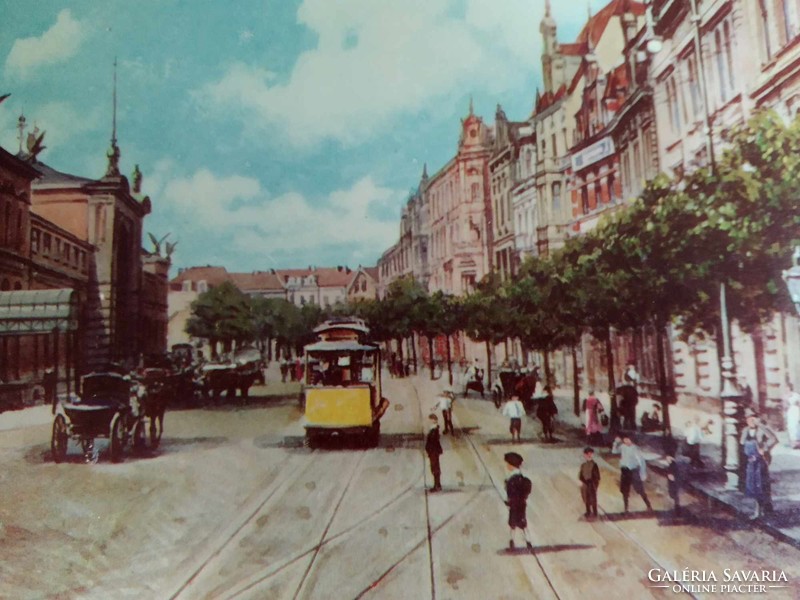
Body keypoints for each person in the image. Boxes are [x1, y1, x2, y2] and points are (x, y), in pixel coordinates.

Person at [740, 409, 778, 518]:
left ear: (756, 418)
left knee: (761, 485)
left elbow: (774, 439)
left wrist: (764, 449)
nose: (751, 420)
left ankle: (759, 511)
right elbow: (742, 443)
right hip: (751, 462)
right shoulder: (745, 430)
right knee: (754, 486)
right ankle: (765, 507)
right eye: (748, 418)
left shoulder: (762, 429)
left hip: (761, 461)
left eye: (753, 417)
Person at [614, 432, 652, 513]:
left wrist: (643, 473)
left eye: (628, 439)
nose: (626, 441)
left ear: (631, 439)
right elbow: (614, 451)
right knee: (625, 490)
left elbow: (641, 461)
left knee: (640, 489)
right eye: (624, 439)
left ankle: (648, 505)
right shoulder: (622, 447)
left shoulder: (635, 448)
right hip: (624, 470)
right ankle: (626, 509)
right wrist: (615, 443)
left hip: (633, 470)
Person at [503, 452, 533, 551]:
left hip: (514, 504)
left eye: (508, 464)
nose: (507, 466)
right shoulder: (524, 479)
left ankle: (512, 541)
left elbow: (510, 494)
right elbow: (527, 491)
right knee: (522, 522)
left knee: (512, 523)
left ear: (511, 465)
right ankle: (528, 541)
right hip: (522, 504)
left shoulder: (511, 480)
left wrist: (508, 501)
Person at [578, 447, 600, 518]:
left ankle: (595, 512)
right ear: (584, 455)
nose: (589, 455)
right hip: (585, 484)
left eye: (590, 454)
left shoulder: (594, 465)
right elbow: (580, 475)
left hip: (592, 483)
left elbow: (597, 476)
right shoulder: (583, 465)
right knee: (586, 497)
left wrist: (594, 483)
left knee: (593, 498)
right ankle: (588, 511)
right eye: (587, 454)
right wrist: (583, 481)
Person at [425, 414, 443, 492]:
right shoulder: (433, 429)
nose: (428, 422)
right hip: (433, 451)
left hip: (433, 451)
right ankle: (437, 484)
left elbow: (432, 441)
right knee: (435, 467)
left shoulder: (434, 430)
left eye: (430, 420)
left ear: (433, 420)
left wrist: (429, 449)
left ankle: (437, 486)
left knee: (434, 468)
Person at [665, 451, 682, 516]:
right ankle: (676, 509)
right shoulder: (673, 464)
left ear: (671, 458)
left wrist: (670, 476)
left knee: (673, 495)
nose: (667, 460)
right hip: (674, 483)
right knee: (674, 496)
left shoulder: (672, 465)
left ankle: (677, 510)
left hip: (673, 483)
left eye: (668, 459)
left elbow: (672, 476)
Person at [784, 383, 800, 449]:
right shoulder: (785, 396)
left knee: (796, 425)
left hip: (796, 411)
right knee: (790, 426)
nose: (786, 389)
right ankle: (792, 442)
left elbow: (799, 403)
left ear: (790, 388)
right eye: (786, 388)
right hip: (789, 411)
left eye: (787, 387)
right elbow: (784, 405)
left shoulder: (796, 395)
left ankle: (797, 442)